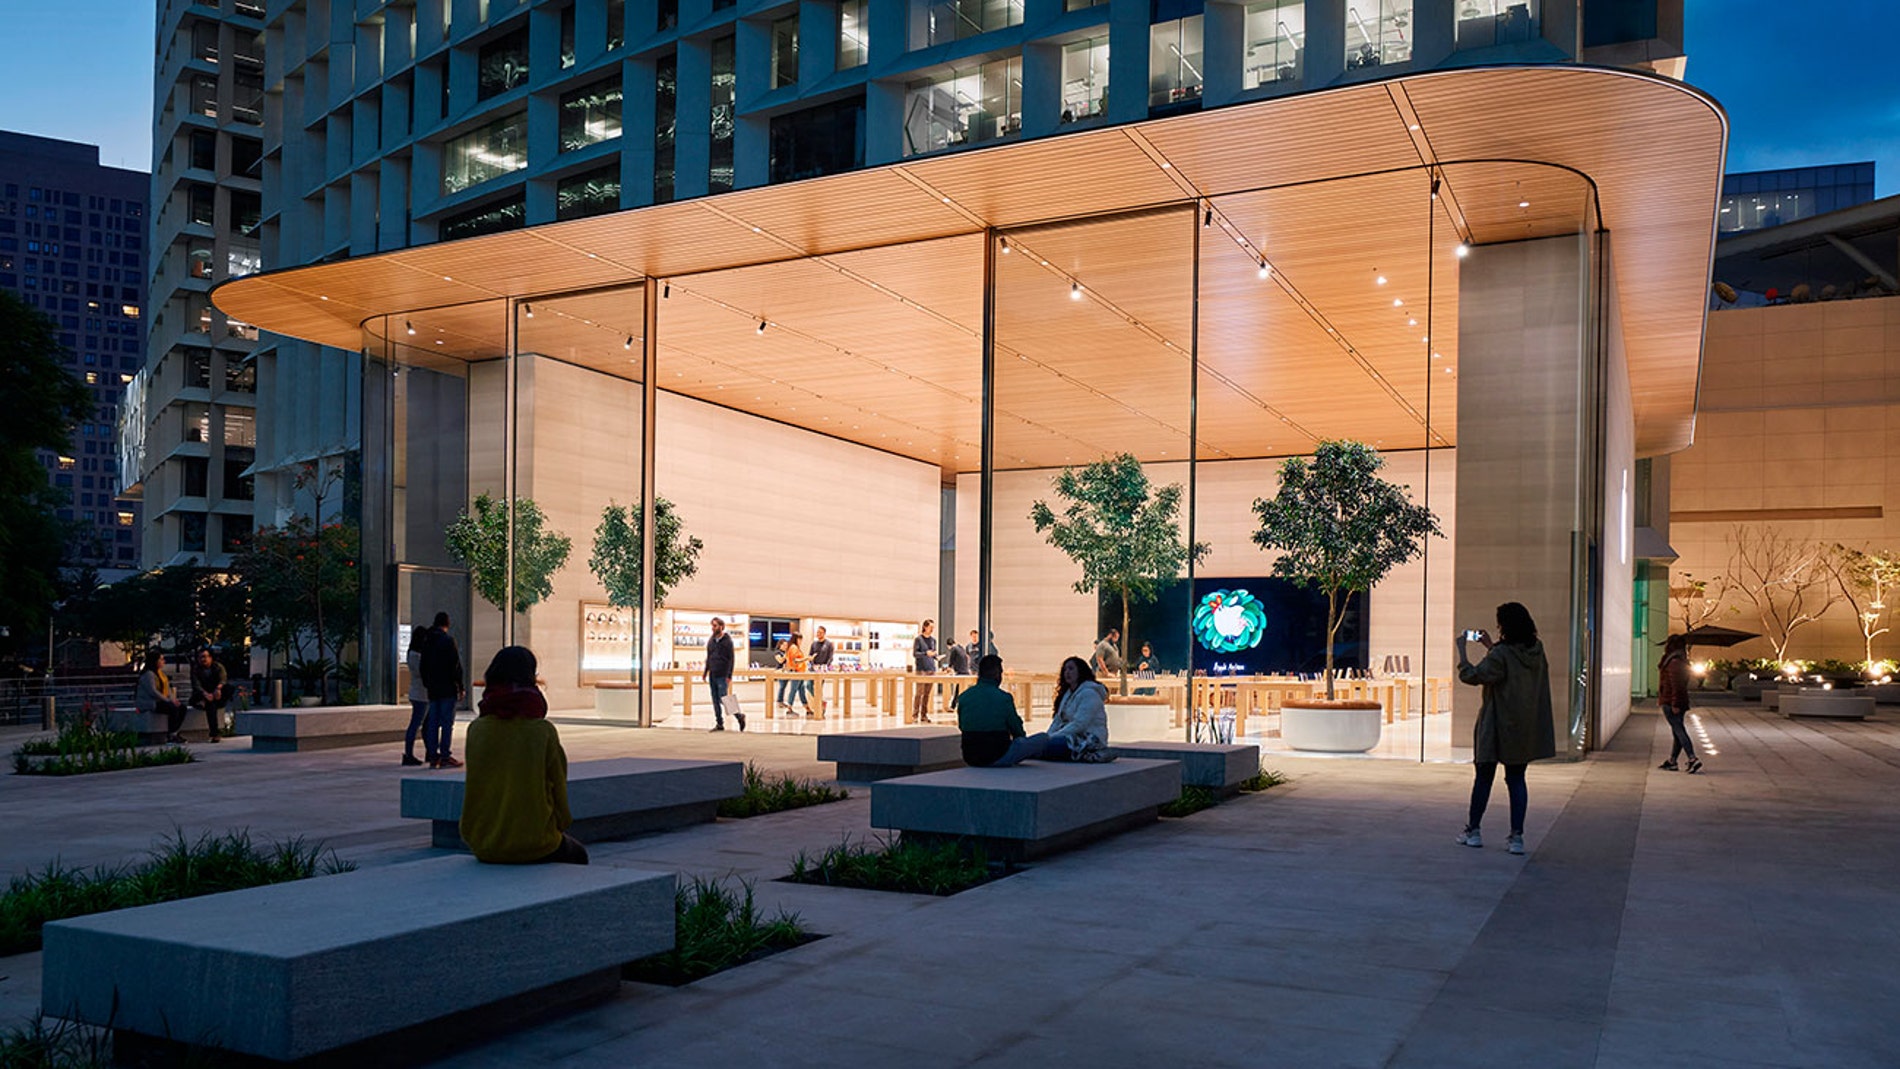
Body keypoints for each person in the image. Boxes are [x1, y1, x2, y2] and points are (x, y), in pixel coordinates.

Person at [459, 646, 588, 866]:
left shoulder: (476, 730)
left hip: (482, 842)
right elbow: (558, 787)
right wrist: (560, 824)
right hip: (535, 843)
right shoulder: (541, 731)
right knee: (578, 855)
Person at [1454, 602, 1557, 855]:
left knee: (1484, 778)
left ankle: (1474, 830)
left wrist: (1462, 652)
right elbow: (1510, 665)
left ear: (1505, 626)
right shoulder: (1537, 650)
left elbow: (1474, 676)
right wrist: (1491, 647)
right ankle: (1517, 837)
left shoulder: (1501, 655)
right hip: (1522, 726)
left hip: (1496, 725)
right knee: (1517, 779)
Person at [992, 656, 1112, 766]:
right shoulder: (1068, 694)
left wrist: (1052, 738)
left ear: (1081, 671)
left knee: (1042, 748)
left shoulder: (1090, 694)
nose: (1067, 673)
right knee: (1037, 744)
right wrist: (1047, 736)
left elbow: (1079, 724)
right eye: (1065, 670)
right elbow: (1058, 720)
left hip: (1088, 740)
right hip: (1069, 737)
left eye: (1071, 669)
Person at [955, 654, 1026, 767]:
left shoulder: (964, 697)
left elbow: (962, 725)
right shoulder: (1004, 698)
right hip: (998, 754)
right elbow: (1016, 729)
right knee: (1042, 739)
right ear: (997, 674)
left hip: (970, 755)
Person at [418, 611, 465, 767]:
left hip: (433, 688)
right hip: (447, 688)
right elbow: (455, 665)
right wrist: (460, 686)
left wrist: (427, 683)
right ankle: (445, 755)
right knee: (446, 723)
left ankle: (433, 755)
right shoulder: (447, 641)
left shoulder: (427, 641)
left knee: (432, 722)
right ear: (447, 623)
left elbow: (422, 666)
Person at [1657, 634, 1701, 774]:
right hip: (1676, 700)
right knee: (1677, 731)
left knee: (1679, 730)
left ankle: (1692, 758)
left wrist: (1675, 703)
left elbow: (1676, 685)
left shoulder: (1674, 662)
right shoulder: (1680, 661)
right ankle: (1672, 761)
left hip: (1671, 701)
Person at [135, 649, 187, 744]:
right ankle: (171, 735)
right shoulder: (148, 674)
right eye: (161, 659)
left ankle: (174, 731)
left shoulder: (162, 674)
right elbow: (153, 692)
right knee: (172, 709)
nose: (164, 661)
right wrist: (168, 701)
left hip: (161, 701)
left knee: (182, 708)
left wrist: (173, 700)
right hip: (150, 702)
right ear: (155, 661)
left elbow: (168, 690)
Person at [704, 616, 744, 731]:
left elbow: (731, 659)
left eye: (715, 625)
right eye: (712, 625)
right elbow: (709, 656)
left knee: (724, 698)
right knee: (714, 699)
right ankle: (719, 723)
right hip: (713, 673)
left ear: (721, 626)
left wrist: (729, 675)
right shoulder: (711, 641)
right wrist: (706, 671)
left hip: (722, 674)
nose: (713, 628)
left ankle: (739, 716)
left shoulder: (727, 641)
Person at [401, 625, 431, 766]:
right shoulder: (416, 656)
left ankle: (428, 752)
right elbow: (423, 673)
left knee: (423, 725)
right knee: (416, 724)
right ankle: (409, 754)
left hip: (419, 693)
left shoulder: (412, 654)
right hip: (421, 694)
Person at [190, 648, 228, 743]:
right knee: (210, 705)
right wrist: (205, 694)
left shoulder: (218, 667)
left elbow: (223, 679)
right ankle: (214, 734)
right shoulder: (196, 669)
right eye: (200, 657)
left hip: (216, 693)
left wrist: (218, 689)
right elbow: (196, 685)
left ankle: (214, 733)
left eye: (204, 657)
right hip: (203, 693)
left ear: (210, 658)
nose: (203, 659)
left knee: (228, 689)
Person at [912, 619, 939, 723]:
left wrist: (936, 656)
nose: (932, 629)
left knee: (927, 694)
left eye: (933, 628)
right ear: (925, 627)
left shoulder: (933, 640)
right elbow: (915, 654)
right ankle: (915, 715)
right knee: (919, 693)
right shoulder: (918, 639)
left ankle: (924, 715)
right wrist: (925, 654)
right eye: (930, 627)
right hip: (921, 670)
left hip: (931, 669)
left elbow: (933, 654)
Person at [785, 632, 814, 716]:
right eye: (800, 639)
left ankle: (807, 708)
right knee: (794, 690)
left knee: (801, 690)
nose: (801, 641)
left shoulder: (793, 647)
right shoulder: (794, 647)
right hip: (796, 672)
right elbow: (795, 660)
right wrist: (806, 659)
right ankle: (789, 708)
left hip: (800, 672)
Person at [809, 625, 836, 714]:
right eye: (817, 632)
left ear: (824, 633)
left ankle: (818, 707)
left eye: (820, 632)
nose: (818, 634)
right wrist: (813, 665)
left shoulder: (829, 644)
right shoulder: (814, 644)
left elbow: (830, 657)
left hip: (823, 670)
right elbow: (810, 656)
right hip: (813, 669)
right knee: (808, 685)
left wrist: (825, 667)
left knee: (819, 688)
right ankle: (821, 702)